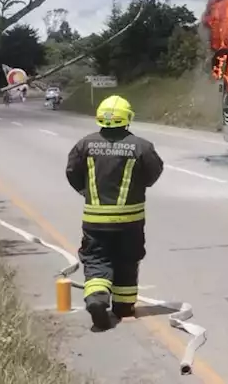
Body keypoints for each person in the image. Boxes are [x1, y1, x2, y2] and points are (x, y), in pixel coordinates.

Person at [65, 95, 164, 330]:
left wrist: (85, 191)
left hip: (95, 220)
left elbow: (72, 172)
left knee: (97, 259)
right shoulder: (142, 146)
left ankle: (98, 299)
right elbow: (153, 174)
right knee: (127, 260)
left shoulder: (84, 145)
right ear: (127, 118)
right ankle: (123, 306)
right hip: (131, 220)